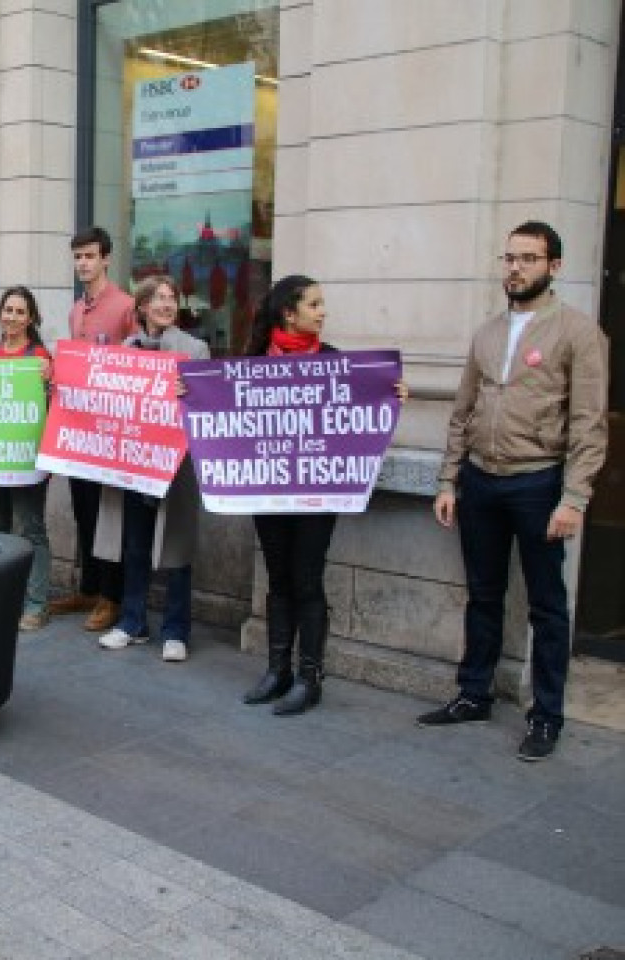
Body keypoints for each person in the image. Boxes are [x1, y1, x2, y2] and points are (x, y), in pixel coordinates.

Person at [418, 221, 609, 761]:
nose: (516, 267)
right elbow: (462, 414)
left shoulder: (577, 332)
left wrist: (574, 498)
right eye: (509, 258)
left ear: (554, 266)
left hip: (538, 481)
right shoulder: (487, 333)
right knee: (482, 594)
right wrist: (449, 480)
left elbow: (590, 424)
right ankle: (472, 693)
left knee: (548, 606)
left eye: (528, 258)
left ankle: (546, 716)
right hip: (481, 480)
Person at [238, 275, 406, 713]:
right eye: (314, 304)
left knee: (306, 579)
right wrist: (191, 396)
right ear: (288, 314)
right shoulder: (254, 362)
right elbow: (226, 411)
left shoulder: (333, 362)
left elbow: (356, 417)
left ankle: (309, 677)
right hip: (269, 490)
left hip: (316, 492)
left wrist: (388, 397)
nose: (323, 311)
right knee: (278, 579)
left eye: (322, 304)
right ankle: (278, 671)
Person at [95, 275, 208, 663]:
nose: (166, 304)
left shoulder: (195, 349)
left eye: (171, 298)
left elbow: (208, 400)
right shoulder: (125, 350)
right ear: (142, 306)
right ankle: (133, 622)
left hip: (175, 466)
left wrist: (189, 391)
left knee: (176, 549)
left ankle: (176, 630)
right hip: (135, 463)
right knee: (135, 546)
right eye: (158, 298)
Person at [49, 226, 135, 632]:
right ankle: (89, 585)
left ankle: (111, 595)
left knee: (108, 513)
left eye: (89, 256)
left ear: (105, 259)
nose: (83, 263)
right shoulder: (74, 309)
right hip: (80, 427)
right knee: (83, 507)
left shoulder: (124, 306)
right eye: (77, 257)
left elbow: (137, 363)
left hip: (112, 429)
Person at [0, 286, 54, 632]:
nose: (12, 317)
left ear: (31, 318)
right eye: (7, 310)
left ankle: (36, 603)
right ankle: (0, 594)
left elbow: (55, 402)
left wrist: (50, 381)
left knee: (30, 528)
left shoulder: (40, 358)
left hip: (27, 459)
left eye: (20, 312)